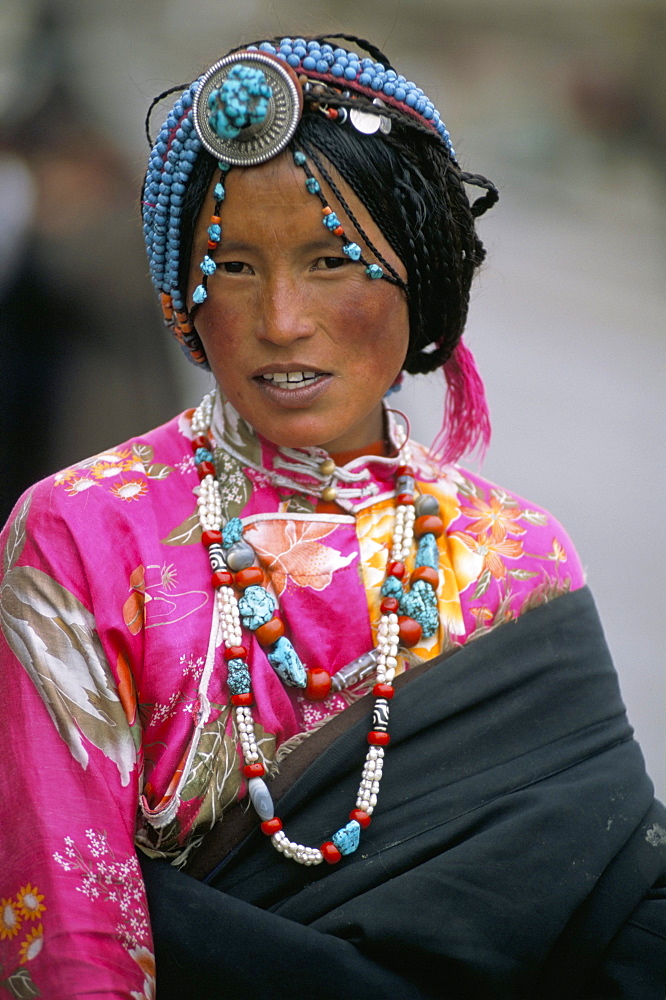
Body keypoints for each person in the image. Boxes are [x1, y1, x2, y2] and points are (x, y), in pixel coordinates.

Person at [0, 33, 663, 1000]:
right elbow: (67, 941)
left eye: (331, 260)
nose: (280, 319)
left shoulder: (521, 559)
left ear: (422, 278)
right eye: (232, 267)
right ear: (181, 298)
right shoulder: (81, 538)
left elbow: (621, 909)